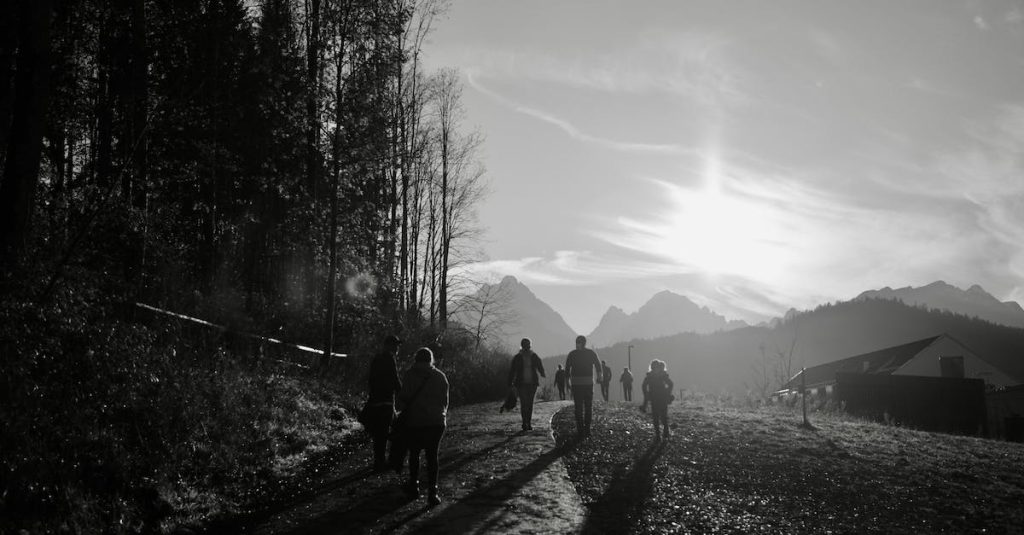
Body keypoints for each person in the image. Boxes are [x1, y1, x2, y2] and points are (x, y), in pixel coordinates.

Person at [397, 347, 449, 507]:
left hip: (415, 422)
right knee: (432, 456)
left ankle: (414, 486)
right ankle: (433, 492)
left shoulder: (410, 375)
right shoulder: (440, 376)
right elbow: (445, 402)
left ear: (416, 359)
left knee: (414, 454)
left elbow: (403, 399)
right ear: (431, 359)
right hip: (436, 423)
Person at [365, 335, 402, 472]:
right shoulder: (390, 358)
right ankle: (383, 462)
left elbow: (371, 379)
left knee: (378, 433)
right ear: (390, 345)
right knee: (387, 431)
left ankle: (378, 460)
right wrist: (403, 394)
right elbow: (394, 378)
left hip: (375, 400)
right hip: (386, 401)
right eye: (396, 345)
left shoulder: (376, 358)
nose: (398, 347)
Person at [564, 335, 602, 436]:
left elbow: (567, 369)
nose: (577, 344)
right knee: (588, 406)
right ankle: (587, 429)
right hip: (588, 383)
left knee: (579, 407)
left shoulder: (572, 354)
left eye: (577, 342)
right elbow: (598, 365)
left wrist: (567, 382)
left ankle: (581, 429)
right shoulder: (590, 353)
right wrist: (599, 376)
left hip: (576, 384)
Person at [508, 338, 546, 431]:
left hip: (529, 384)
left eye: (527, 345)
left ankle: (527, 422)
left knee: (527, 404)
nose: (527, 347)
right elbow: (513, 370)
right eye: (526, 345)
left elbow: (512, 371)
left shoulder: (522, 357)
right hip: (523, 384)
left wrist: (510, 382)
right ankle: (526, 423)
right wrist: (542, 373)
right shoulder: (530, 356)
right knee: (526, 404)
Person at [641, 359, 674, 441]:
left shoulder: (650, 376)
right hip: (662, 398)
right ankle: (664, 433)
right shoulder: (662, 375)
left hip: (655, 398)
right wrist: (668, 393)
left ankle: (659, 435)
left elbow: (643, 385)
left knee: (656, 417)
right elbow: (670, 384)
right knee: (662, 416)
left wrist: (646, 394)